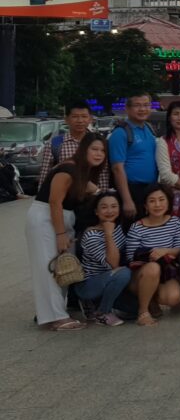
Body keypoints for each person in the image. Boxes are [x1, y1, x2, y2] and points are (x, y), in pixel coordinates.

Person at [25, 133, 103, 331]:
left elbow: (91, 191)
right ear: (83, 149)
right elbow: (54, 201)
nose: (99, 154)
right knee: (49, 267)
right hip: (46, 219)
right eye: (94, 149)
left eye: (102, 150)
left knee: (64, 267)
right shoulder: (68, 169)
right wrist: (60, 234)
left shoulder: (81, 172)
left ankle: (55, 314)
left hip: (62, 218)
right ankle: (56, 318)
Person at [125, 185, 180, 326]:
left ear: (168, 202)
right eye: (152, 201)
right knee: (152, 268)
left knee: (173, 297)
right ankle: (143, 311)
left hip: (165, 273)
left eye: (161, 199)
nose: (157, 204)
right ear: (145, 205)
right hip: (141, 275)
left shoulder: (174, 222)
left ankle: (151, 299)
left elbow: (179, 248)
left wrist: (165, 251)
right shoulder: (137, 227)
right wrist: (149, 256)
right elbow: (130, 258)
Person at [74, 191, 131, 326]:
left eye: (114, 206)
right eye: (104, 207)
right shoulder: (91, 235)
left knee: (135, 310)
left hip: (110, 281)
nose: (109, 211)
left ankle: (103, 303)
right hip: (89, 285)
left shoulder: (118, 227)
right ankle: (102, 313)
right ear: (96, 211)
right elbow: (113, 264)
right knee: (123, 273)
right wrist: (108, 234)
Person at [108, 91, 159, 222]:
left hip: (150, 190)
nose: (142, 109)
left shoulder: (148, 128)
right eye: (137, 105)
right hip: (132, 191)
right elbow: (117, 168)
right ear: (128, 108)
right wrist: (127, 200)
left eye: (146, 105)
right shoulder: (120, 133)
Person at [39, 101, 110, 190]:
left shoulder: (100, 143)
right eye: (75, 117)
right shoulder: (55, 145)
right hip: (65, 199)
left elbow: (103, 174)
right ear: (66, 120)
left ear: (90, 119)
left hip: (94, 198)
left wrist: (102, 196)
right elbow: (44, 178)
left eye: (84, 116)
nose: (80, 121)